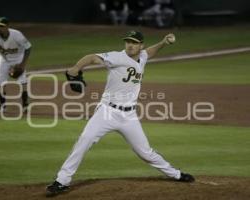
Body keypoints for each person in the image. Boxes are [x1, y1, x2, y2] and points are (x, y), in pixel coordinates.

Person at [45, 30, 195, 197]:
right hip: (107, 111)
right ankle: (62, 181)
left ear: (140, 45)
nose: (130, 45)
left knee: (145, 153)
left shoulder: (143, 56)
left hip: (129, 116)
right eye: (128, 41)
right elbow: (92, 57)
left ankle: (176, 174)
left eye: (134, 42)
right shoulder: (117, 57)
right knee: (84, 141)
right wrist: (75, 68)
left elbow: (149, 53)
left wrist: (163, 43)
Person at [0, 17, 31, 113]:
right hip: (4, 59)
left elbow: (28, 48)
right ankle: (2, 105)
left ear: (7, 26)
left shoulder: (17, 35)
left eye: (1, 26)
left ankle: (25, 105)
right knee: (0, 81)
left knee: (22, 81)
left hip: (18, 58)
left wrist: (22, 64)